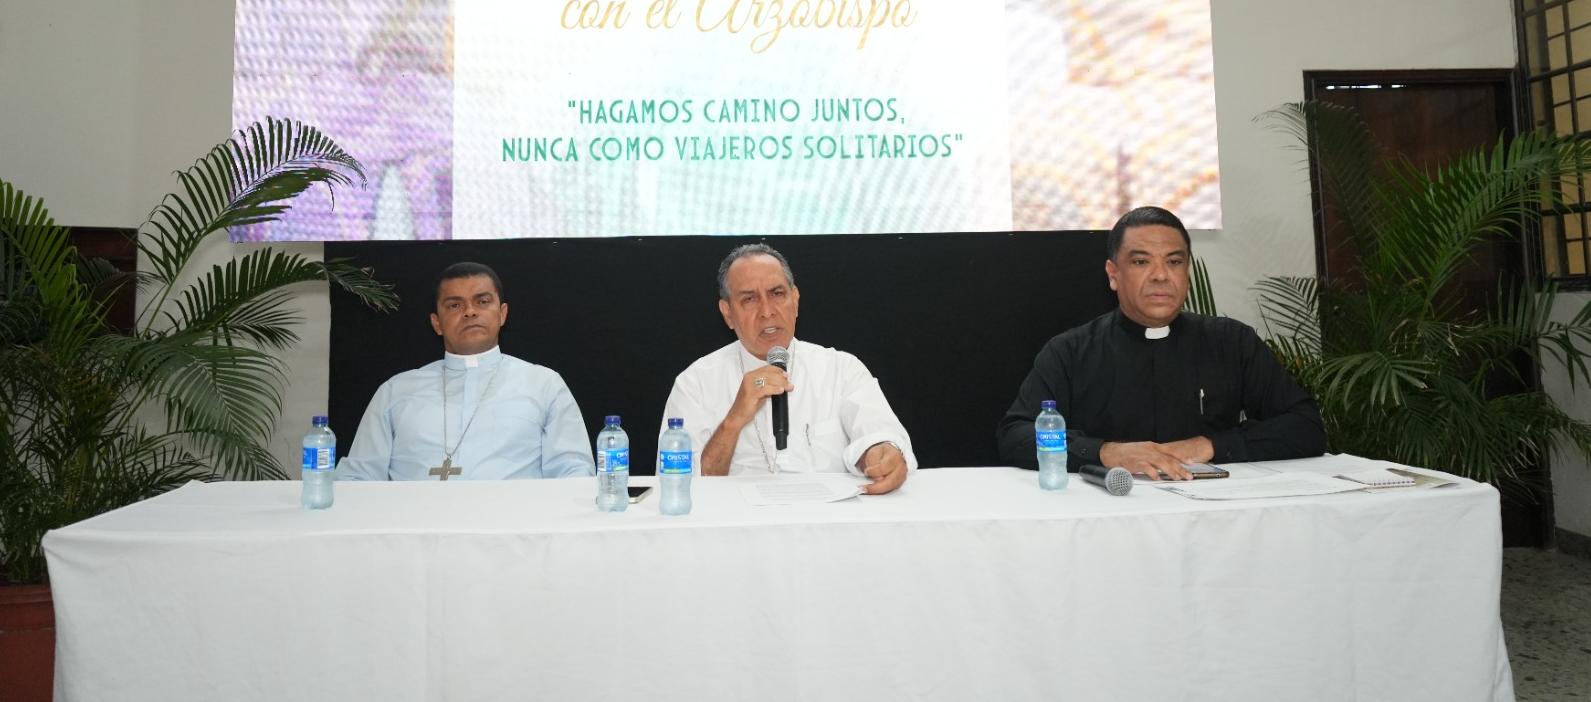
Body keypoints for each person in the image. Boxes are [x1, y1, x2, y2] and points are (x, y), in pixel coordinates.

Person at [996, 206, 1327, 480]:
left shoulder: (1231, 342)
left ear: (1187, 271)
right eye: (1141, 262)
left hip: (1214, 513)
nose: (1160, 275)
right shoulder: (1071, 350)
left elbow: (1306, 426)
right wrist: (1105, 452)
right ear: (1113, 274)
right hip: (1110, 509)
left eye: (1174, 261)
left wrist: (1210, 445)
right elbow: (1015, 435)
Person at [661, 244, 916, 494]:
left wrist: (881, 452)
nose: (767, 311)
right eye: (749, 299)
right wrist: (734, 420)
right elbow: (679, 485)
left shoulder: (841, 369)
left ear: (795, 300)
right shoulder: (695, 383)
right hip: (738, 526)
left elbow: (880, 433)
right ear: (727, 313)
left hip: (827, 522)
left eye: (777, 294)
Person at [341, 262, 595, 480]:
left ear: (502, 314)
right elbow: (358, 477)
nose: (470, 312)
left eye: (482, 301)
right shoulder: (396, 391)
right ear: (436, 323)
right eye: (454, 305)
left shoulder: (543, 384)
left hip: (512, 530)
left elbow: (574, 472)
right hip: (413, 531)